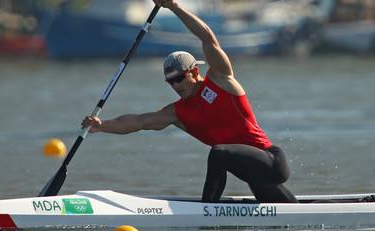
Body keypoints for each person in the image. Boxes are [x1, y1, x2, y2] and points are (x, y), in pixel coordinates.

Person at [81, 0, 298, 203]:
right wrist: (102, 126)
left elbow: (207, 38)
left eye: (179, 78)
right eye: (170, 82)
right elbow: (140, 122)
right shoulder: (177, 112)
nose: (175, 85)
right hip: (253, 175)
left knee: (218, 153)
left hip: (271, 162)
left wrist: (174, 6)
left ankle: (207, 211)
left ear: (194, 72)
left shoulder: (220, 80)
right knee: (287, 219)